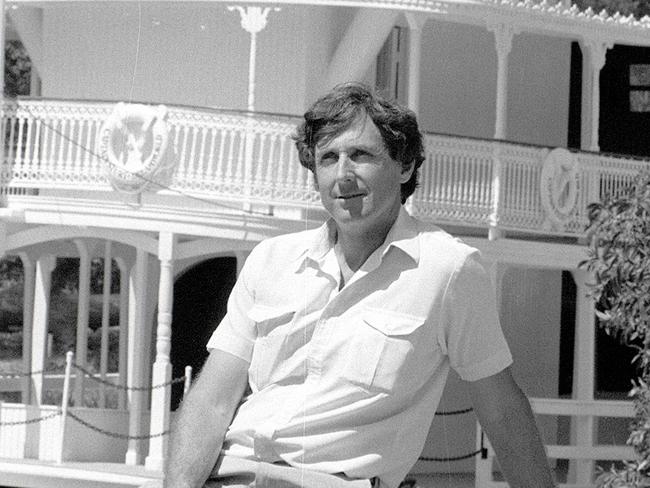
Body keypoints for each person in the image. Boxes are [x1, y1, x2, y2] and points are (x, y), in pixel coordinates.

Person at [165, 83, 556, 488]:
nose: (343, 174)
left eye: (361, 155)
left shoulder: (449, 269)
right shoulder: (270, 260)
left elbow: (502, 411)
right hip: (229, 476)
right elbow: (211, 403)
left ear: (404, 166)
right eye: (328, 158)